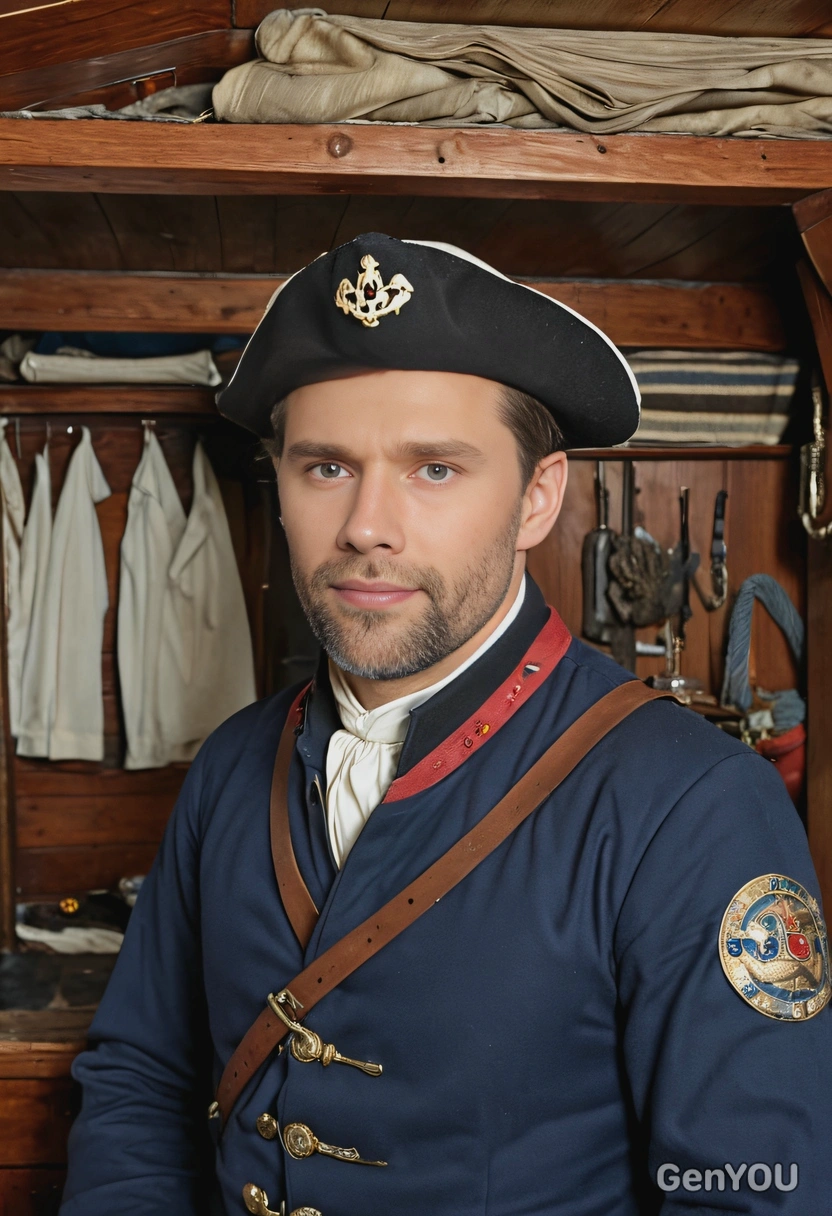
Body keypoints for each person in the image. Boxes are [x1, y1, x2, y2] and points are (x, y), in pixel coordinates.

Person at [61, 234, 831, 1216]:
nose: (367, 525)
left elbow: (749, 1193)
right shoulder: (231, 763)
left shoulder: (692, 804)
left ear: (535, 499)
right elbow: (139, 1078)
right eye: (326, 465)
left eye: (433, 469)